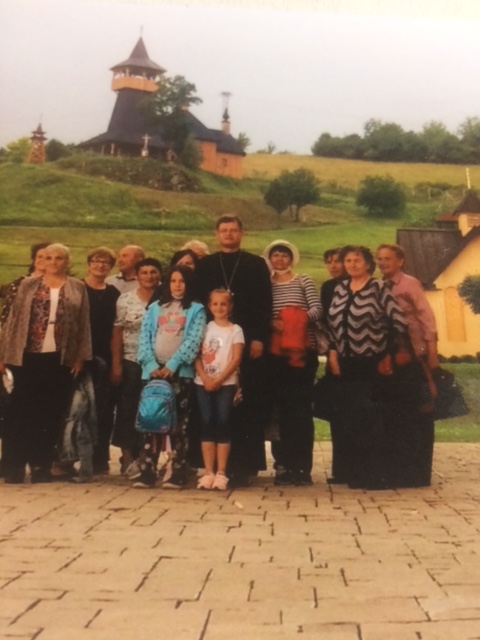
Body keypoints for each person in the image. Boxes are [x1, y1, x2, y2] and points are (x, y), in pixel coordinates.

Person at [0, 243, 92, 484]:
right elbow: (13, 321)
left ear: (67, 262)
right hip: (27, 355)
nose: (53, 262)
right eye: (49, 258)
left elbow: (83, 323)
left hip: (60, 357)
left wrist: (80, 356)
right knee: (21, 411)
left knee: (49, 412)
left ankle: (41, 464)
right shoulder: (28, 285)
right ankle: (14, 466)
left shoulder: (77, 287)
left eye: (59, 258)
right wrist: (3, 355)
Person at [196, 215, 272, 486]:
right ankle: (213, 468)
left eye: (233, 230)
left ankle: (243, 466)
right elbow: (198, 305)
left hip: (247, 339)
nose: (228, 234)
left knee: (244, 404)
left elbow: (265, 303)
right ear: (217, 234)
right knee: (213, 409)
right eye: (224, 230)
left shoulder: (255, 264)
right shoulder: (206, 265)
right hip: (212, 341)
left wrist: (259, 338)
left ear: (242, 233)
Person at [326, 245, 409, 490]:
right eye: (348, 261)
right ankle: (350, 471)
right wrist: (332, 352)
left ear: (368, 264)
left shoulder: (378, 287)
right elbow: (332, 324)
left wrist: (388, 353)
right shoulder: (340, 288)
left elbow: (398, 320)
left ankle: (374, 475)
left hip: (372, 363)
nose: (351, 265)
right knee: (349, 418)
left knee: (370, 418)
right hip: (345, 363)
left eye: (357, 260)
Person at [136, 265, 206, 489]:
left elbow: (194, 340)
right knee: (151, 420)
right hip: (153, 374)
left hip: (179, 374)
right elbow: (144, 336)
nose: (177, 285)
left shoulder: (196, 309)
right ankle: (147, 471)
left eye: (182, 281)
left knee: (178, 424)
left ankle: (177, 472)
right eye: (173, 281)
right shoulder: (155, 308)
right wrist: (151, 364)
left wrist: (173, 365)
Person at [376, 243, 439, 486]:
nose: (383, 263)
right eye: (380, 259)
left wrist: (431, 350)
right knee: (398, 412)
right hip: (392, 353)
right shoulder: (379, 285)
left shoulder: (410, 283)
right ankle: (399, 467)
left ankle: (419, 471)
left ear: (400, 261)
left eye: (387, 258)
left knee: (419, 411)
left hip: (415, 353)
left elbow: (426, 316)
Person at [262, 240, 322, 486]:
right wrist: (273, 323)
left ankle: (302, 466)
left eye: (284, 255)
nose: (279, 259)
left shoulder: (303, 280)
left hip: (303, 352)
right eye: (275, 255)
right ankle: (283, 464)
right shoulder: (266, 284)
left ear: (291, 258)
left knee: (301, 411)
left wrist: (292, 321)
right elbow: (264, 312)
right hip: (276, 354)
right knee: (280, 410)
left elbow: (317, 310)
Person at [110, 258, 162, 474]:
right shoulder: (125, 300)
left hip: (158, 363)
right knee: (128, 408)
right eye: (144, 272)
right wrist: (116, 363)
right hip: (132, 360)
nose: (149, 276)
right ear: (137, 276)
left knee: (154, 410)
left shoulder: (166, 298)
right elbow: (117, 331)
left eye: (153, 272)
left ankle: (148, 457)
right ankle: (128, 457)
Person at [194, 289, 244, 491]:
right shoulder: (204, 328)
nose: (219, 308)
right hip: (203, 382)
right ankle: (208, 472)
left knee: (223, 423)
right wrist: (205, 378)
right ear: (209, 306)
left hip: (226, 383)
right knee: (207, 423)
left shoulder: (235, 330)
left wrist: (220, 379)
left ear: (230, 307)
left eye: (223, 304)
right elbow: (196, 354)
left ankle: (221, 472)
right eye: (215, 304)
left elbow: (236, 358)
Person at [83, 247, 120, 474]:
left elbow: (116, 329)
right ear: (89, 264)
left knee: (104, 408)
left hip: (105, 354)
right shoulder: (78, 288)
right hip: (81, 354)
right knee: (79, 408)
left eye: (105, 262)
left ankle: (99, 458)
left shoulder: (113, 293)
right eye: (96, 261)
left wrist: (115, 362)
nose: (100, 265)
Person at [0, 242, 49, 327]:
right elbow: (8, 310)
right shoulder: (20, 283)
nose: (42, 260)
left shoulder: (61, 284)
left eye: (47, 258)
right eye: (40, 257)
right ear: (34, 260)